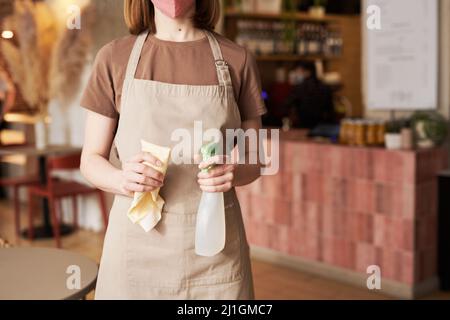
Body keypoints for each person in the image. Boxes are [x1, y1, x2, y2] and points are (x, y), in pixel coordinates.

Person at [80, 0, 267, 299]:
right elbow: (90, 160)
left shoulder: (237, 60)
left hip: (214, 253)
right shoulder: (114, 57)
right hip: (135, 251)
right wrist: (122, 179)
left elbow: (256, 160)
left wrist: (234, 171)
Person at [284, 61, 335, 129]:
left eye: (298, 72)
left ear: (307, 72)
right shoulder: (324, 86)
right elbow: (330, 110)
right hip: (323, 127)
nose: (296, 74)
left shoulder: (300, 88)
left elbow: (286, 104)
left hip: (303, 127)